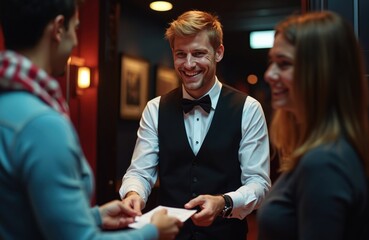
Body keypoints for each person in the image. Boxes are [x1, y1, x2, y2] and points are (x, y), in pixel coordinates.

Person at [0, 0, 182, 239]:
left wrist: (94, 216)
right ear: (58, 28)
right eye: (75, 29)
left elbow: (25, 213)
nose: (75, 41)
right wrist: (153, 232)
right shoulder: (42, 124)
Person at [119, 10, 271, 240]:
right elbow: (140, 172)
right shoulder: (155, 108)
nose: (189, 64)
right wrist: (133, 194)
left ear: (218, 52)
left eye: (198, 54)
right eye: (181, 54)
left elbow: (258, 183)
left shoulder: (248, 109)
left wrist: (224, 202)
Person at [257, 11, 369, 240]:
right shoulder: (334, 150)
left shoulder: (324, 162)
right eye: (272, 62)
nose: (269, 75)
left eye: (284, 64)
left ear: (321, 72)